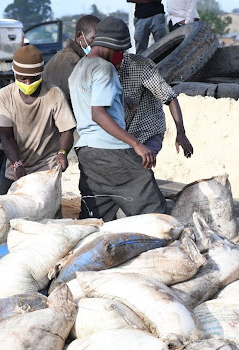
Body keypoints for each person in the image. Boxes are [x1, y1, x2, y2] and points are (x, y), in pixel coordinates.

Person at [68, 16, 167, 221]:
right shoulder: (106, 68)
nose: (121, 56)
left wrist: (121, 99)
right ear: (116, 47)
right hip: (111, 152)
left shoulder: (78, 69)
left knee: (95, 220)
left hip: (87, 154)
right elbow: (98, 113)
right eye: (122, 51)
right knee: (155, 212)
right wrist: (136, 144)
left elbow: (90, 99)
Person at [0, 45, 77, 195]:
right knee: (4, 204)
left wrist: (63, 152)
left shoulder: (54, 93)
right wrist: (17, 163)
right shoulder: (4, 96)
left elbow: (67, 130)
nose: (28, 84)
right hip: (15, 164)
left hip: (47, 166)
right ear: (14, 74)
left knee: (47, 210)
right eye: (23, 78)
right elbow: (6, 136)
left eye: (33, 79)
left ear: (41, 74)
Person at [117, 51, 193, 157]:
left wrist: (181, 133)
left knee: (140, 165)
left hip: (148, 130)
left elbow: (169, 97)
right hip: (121, 134)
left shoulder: (141, 66)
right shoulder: (97, 68)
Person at [42, 15, 101, 106]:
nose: (97, 43)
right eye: (93, 38)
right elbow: (85, 98)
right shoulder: (72, 62)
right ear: (80, 36)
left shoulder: (70, 56)